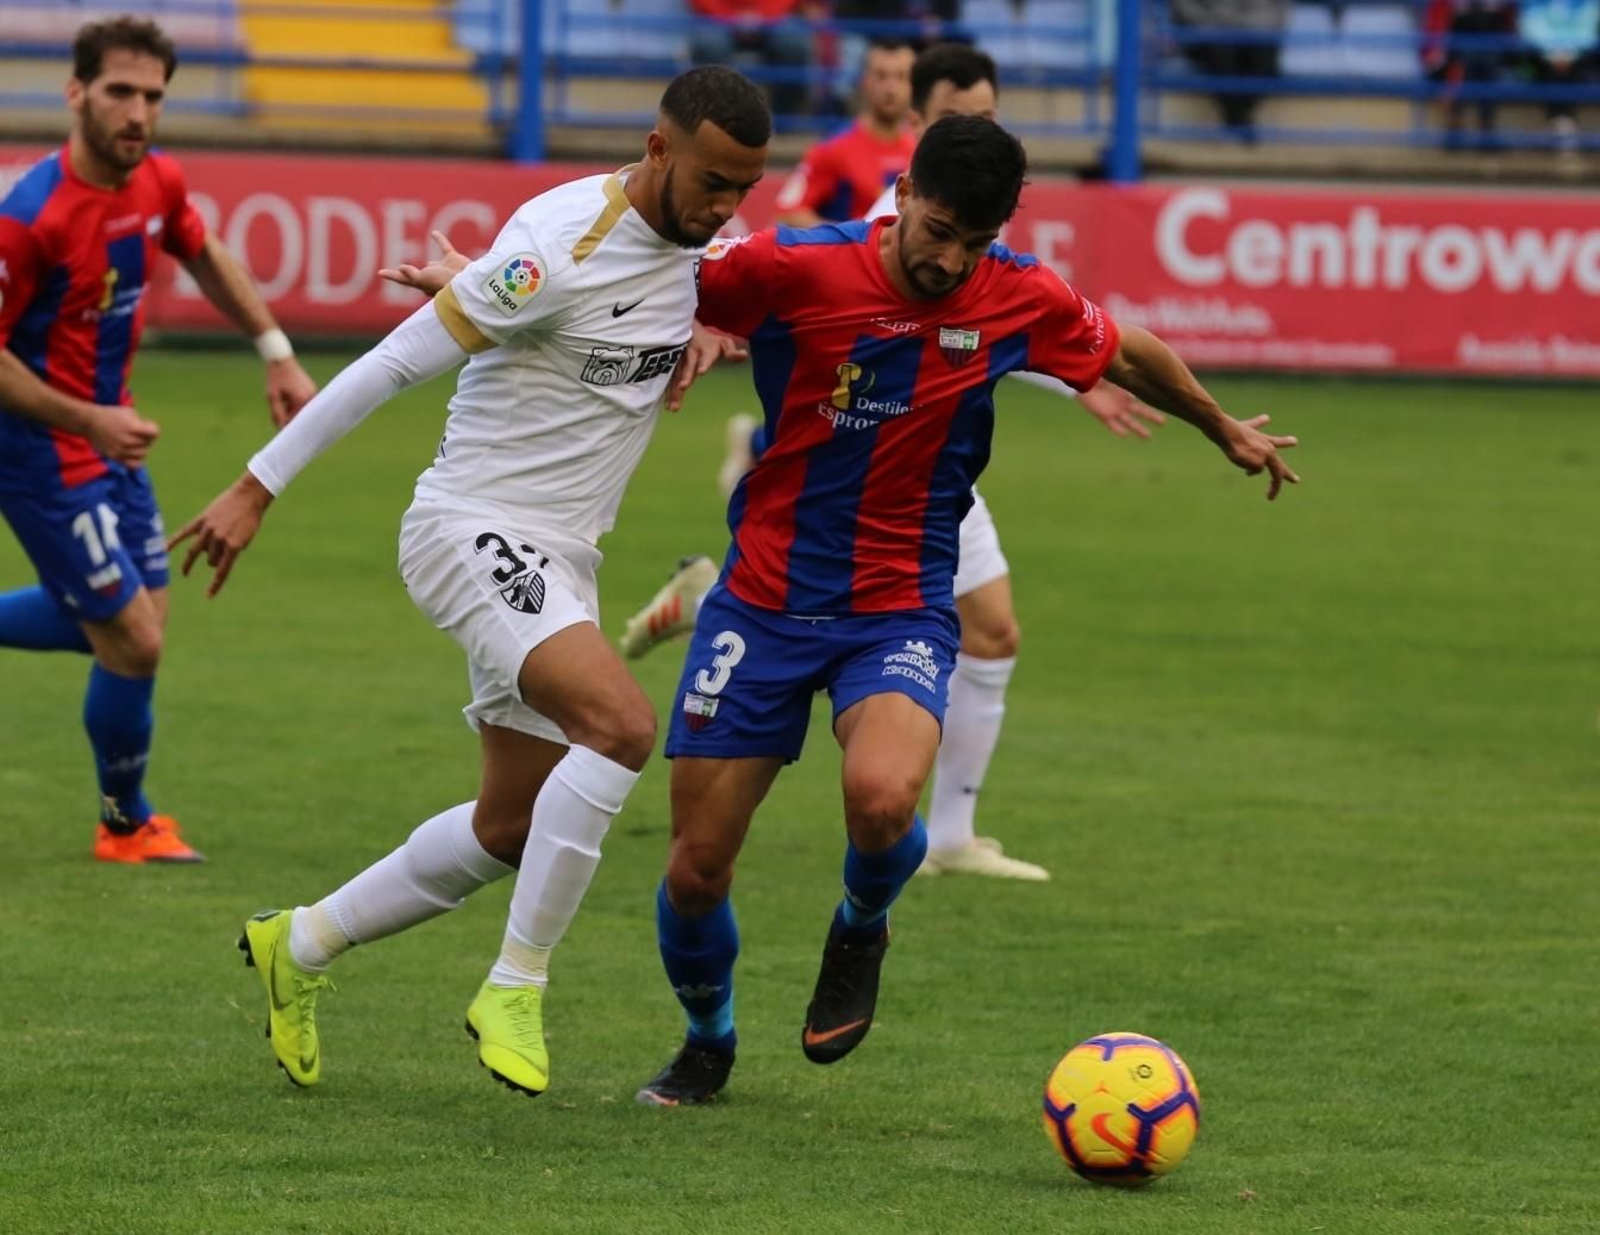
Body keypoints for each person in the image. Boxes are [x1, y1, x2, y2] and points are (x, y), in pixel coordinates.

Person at [634, 114, 1299, 1106]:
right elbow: (652, 272)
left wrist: (1218, 427)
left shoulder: (1017, 292)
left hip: (897, 604)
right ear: (902, 195)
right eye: (938, 228)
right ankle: (707, 1036)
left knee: (882, 798)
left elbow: (1125, 350)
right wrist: (660, 312)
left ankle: (863, 916)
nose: (950, 259)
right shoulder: (797, 266)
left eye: (973, 242)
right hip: (762, 602)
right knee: (695, 869)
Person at [170, 67, 771, 1097]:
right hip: (472, 529)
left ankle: (299, 943)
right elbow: (390, 365)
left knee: (510, 823)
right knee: (622, 726)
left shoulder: (696, 249)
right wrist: (253, 485)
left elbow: (699, 298)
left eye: (743, 190)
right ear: (659, 148)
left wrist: (714, 331)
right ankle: (514, 982)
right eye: (712, 181)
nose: (724, 208)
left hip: (564, 558)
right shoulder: (557, 248)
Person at [621, 42, 1167, 881]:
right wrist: (711, 309)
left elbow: (1006, 320)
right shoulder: (885, 196)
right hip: (852, 449)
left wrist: (1080, 379)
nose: (977, 128)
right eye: (958, 115)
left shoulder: (974, 206)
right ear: (919, 126)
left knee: (991, 630)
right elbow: (769, 240)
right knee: (970, 623)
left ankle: (944, 830)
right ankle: (726, 602)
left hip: (926, 468)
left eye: (988, 114)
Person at [0, 15, 317, 864]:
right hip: (38, 448)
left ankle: (125, 818)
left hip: (115, 436)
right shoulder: (31, 216)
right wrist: (88, 419)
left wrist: (276, 352)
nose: (138, 112)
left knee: (125, 625)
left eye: (153, 96)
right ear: (76, 93)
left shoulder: (157, 182)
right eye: (119, 92)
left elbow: (204, 251)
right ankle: (124, 822)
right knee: (131, 638)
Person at [772, 37, 915, 225]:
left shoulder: (919, 150)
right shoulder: (833, 149)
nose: (891, 88)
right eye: (881, 76)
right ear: (864, 81)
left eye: (901, 77)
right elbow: (787, 214)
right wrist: (845, 241)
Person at [1170, 0, 1287, 139]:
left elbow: (1281, 8)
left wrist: (1257, 27)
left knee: (1265, 67)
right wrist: (1208, 25)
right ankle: (1240, 121)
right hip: (1210, 32)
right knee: (1221, 59)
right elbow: (1183, 6)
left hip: (1257, 30)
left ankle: (1236, 118)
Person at [688, 0, 818, 121]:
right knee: (709, 45)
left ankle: (786, 118)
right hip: (718, 20)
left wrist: (763, 18)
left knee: (793, 42)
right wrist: (731, 18)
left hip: (773, 20)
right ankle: (719, 120)